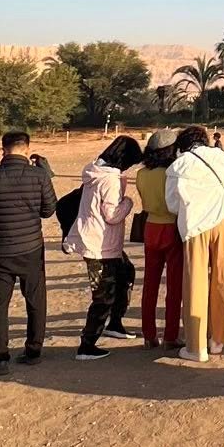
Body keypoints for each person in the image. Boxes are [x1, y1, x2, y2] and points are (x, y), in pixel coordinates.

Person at [0, 130, 57, 374]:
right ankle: (34, 350)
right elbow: (49, 210)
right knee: (35, 300)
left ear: (2, 150)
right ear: (27, 149)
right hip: (30, 248)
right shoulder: (39, 176)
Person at [165, 126, 224, 362]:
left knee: (195, 283)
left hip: (195, 224)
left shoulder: (177, 166)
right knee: (222, 277)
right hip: (223, 219)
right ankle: (218, 338)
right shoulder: (218, 156)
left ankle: (196, 346)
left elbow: (172, 205)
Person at [65, 137, 142, 362]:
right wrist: (128, 202)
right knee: (103, 296)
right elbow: (112, 215)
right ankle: (87, 345)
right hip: (100, 246)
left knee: (126, 274)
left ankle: (115, 323)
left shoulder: (95, 172)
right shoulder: (109, 180)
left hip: (102, 242)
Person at [135, 130, 183, 351]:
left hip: (150, 227)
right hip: (172, 227)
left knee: (150, 284)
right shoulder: (173, 173)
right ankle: (170, 335)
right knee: (174, 286)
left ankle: (149, 334)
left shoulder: (141, 174)